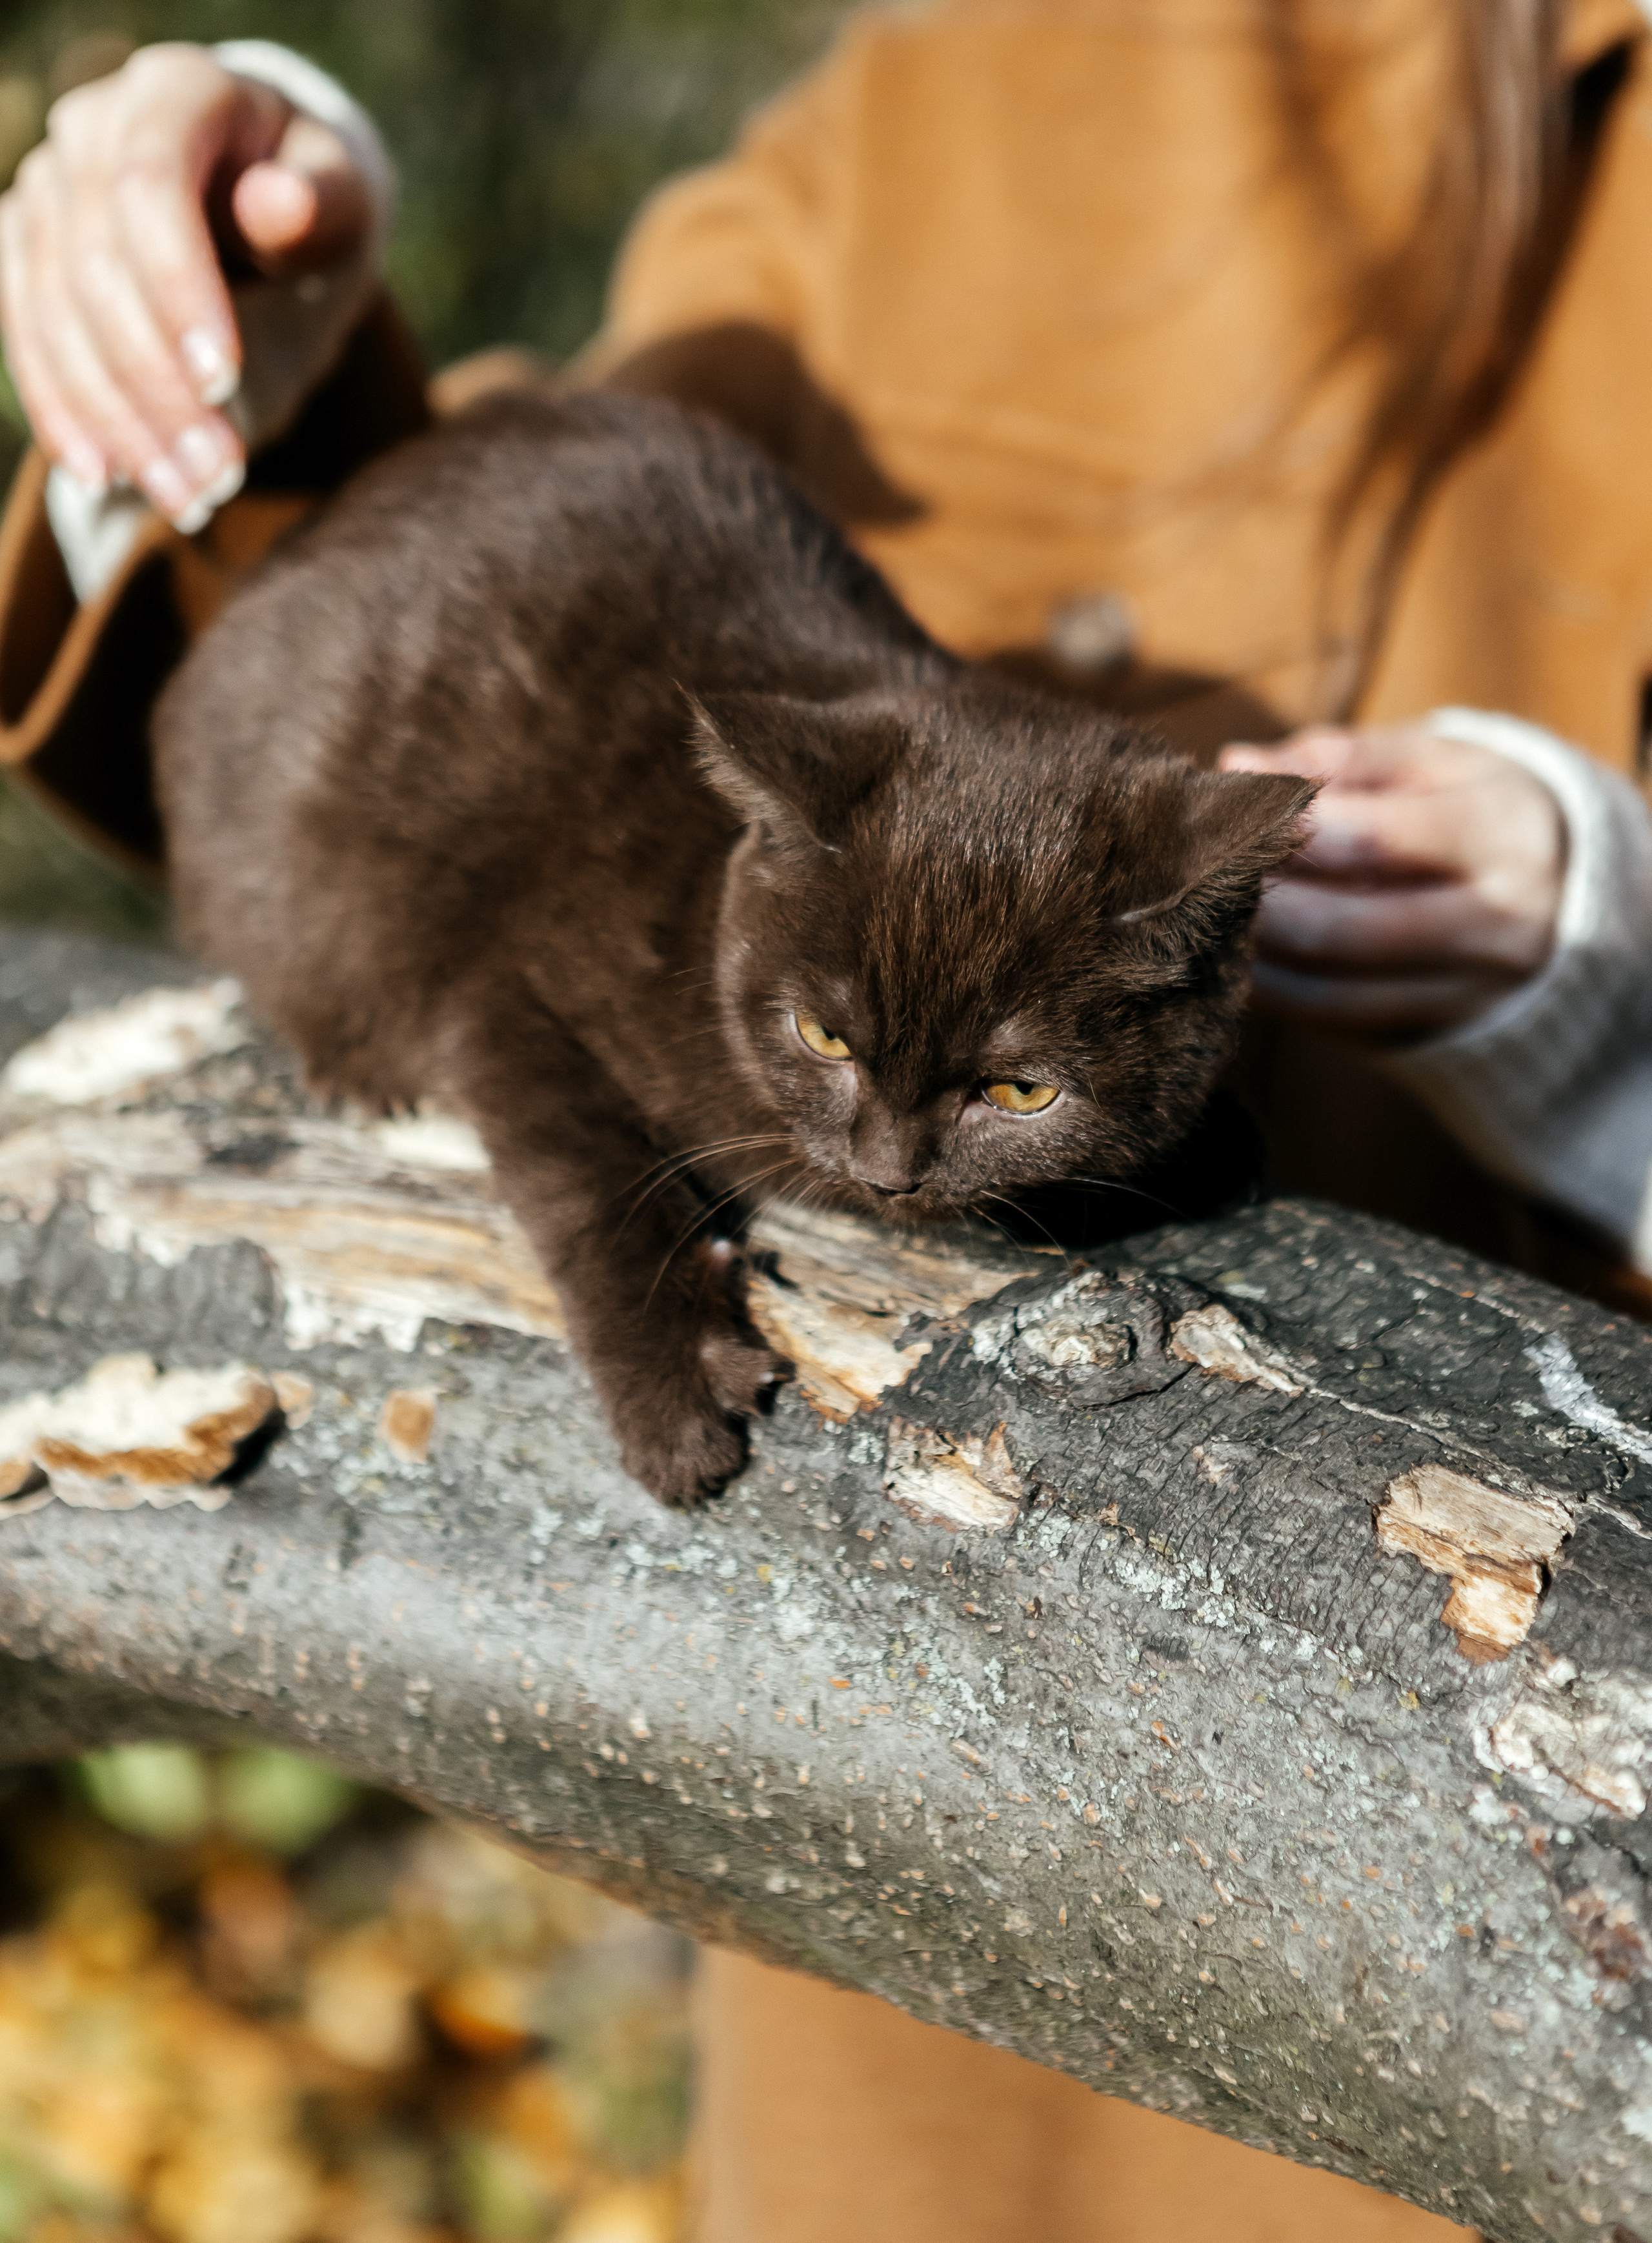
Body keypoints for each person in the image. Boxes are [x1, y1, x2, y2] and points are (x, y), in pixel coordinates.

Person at [2, 8, 1650, 2238]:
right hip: (908, 2005)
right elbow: (485, 601)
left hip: (1515, 1991)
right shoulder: (970, 83)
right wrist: (226, 349)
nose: (883, 1173)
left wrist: (1606, 984)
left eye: (974, 1105)